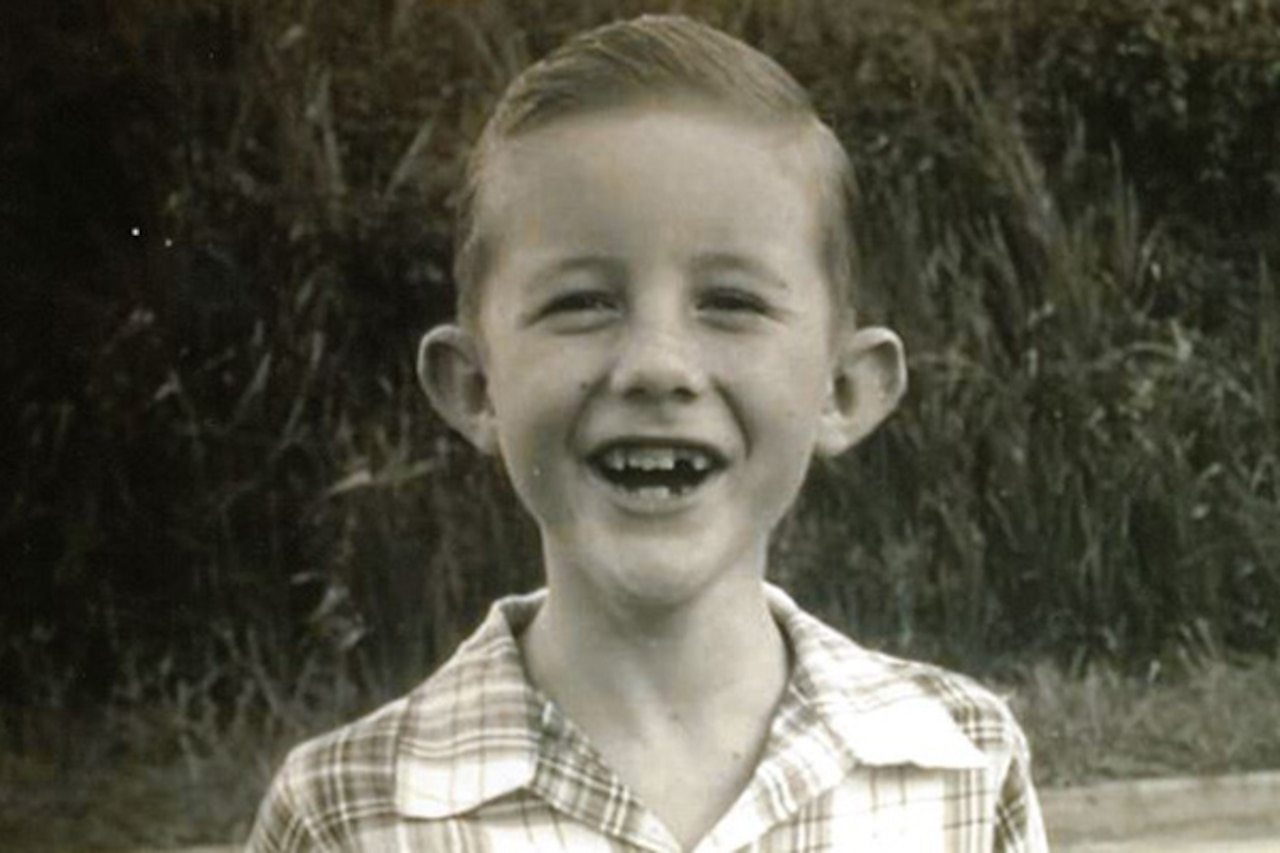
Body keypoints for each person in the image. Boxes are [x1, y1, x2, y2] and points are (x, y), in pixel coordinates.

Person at [248, 14, 1048, 852]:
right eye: (582, 302)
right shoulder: (347, 813)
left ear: (843, 389)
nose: (657, 366)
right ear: (475, 385)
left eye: (732, 303)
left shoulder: (958, 764)